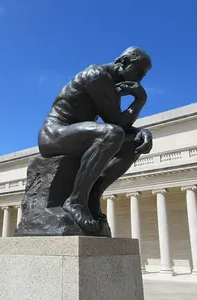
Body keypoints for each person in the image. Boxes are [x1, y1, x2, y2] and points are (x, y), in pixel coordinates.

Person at [38, 46, 153, 234]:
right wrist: (140, 100)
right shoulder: (96, 74)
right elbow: (116, 124)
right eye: (139, 71)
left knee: (134, 144)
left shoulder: (110, 86)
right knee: (112, 134)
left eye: (144, 74)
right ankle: (76, 200)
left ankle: (92, 195)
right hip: (53, 134)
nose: (140, 78)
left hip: (74, 136)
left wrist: (141, 132)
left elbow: (119, 124)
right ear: (123, 62)